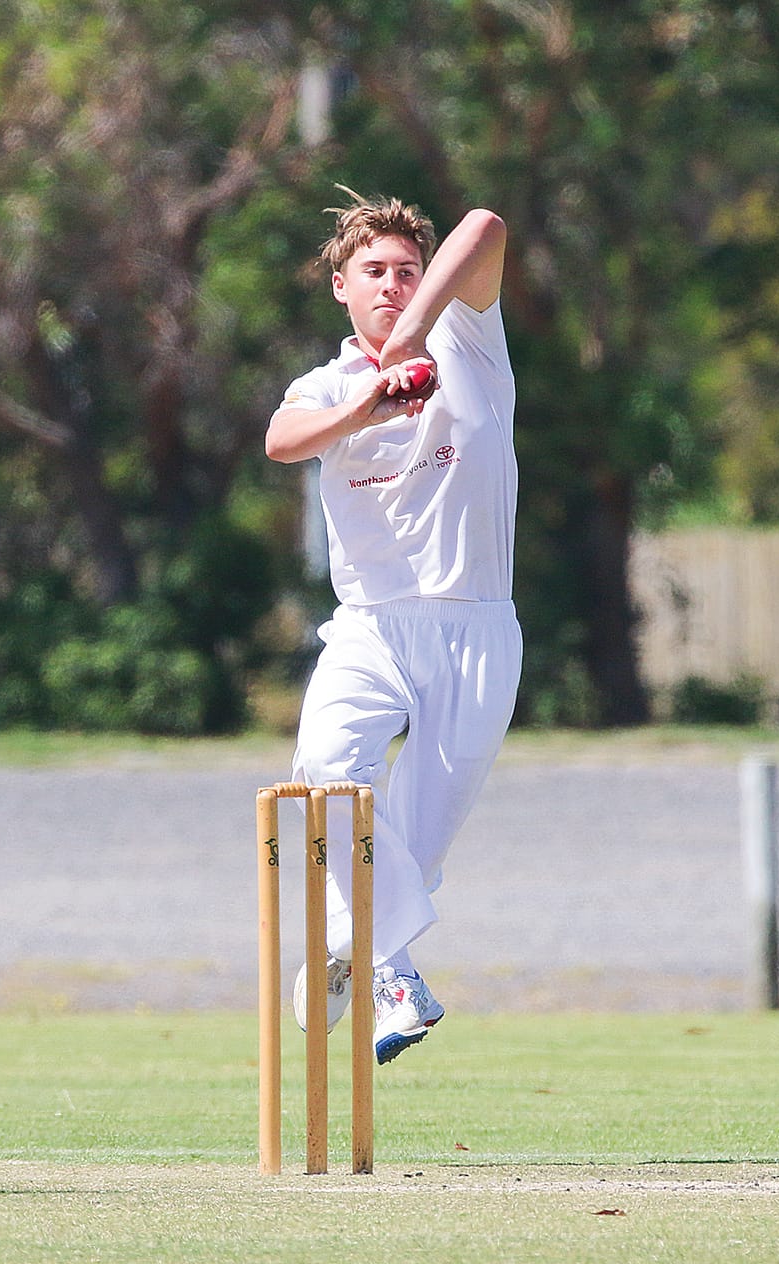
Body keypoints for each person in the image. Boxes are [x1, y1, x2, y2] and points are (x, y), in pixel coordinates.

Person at [265, 193, 520, 1064]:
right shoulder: (327, 384)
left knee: (413, 842)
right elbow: (283, 441)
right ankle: (393, 973)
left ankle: (350, 948)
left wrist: (416, 330)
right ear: (340, 287)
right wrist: (367, 403)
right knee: (329, 770)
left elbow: (484, 225)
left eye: (406, 269)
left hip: (476, 629)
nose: (392, 283)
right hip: (370, 625)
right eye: (373, 272)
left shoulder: (469, 343)